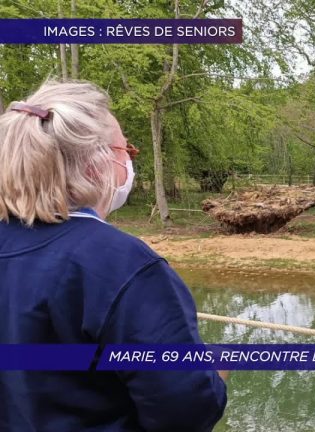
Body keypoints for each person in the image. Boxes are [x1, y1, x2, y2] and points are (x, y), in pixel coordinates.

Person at [0, 80, 227, 431]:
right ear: (97, 163)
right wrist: (211, 374)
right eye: (127, 152)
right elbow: (184, 411)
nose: (128, 164)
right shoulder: (120, 262)